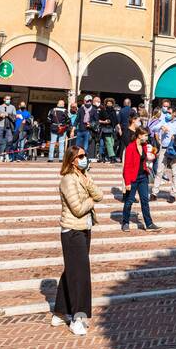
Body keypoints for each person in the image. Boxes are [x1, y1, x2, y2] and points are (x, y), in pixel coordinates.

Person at [51, 143, 103, 336]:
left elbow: (100, 194)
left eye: (85, 156)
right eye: (80, 156)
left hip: (85, 228)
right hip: (72, 230)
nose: (84, 159)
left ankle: (59, 311)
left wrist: (88, 183)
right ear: (72, 160)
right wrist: (90, 201)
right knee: (81, 274)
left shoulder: (84, 176)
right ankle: (78, 317)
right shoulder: (67, 180)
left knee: (73, 270)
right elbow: (78, 208)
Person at [120, 128, 158, 231]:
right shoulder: (130, 147)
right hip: (133, 178)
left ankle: (149, 224)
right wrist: (127, 182)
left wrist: (154, 153)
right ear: (139, 135)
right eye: (145, 135)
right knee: (129, 201)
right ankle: (125, 222)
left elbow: (149, 157)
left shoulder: (145, 146)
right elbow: (126, 167)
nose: (147, 137)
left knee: (145, 200)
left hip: (143, 177)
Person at [47, 98, 69, 162]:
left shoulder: (52, 110)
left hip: (54, 127)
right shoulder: (65, 111)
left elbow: (48, 119)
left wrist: (53, 123)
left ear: (57, 104)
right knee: (61, 143)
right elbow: (68, 120)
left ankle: (50, 158)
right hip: (62, 128)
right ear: (63, 104)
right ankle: (61, 158)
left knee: (52, 143)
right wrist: (65, 125)